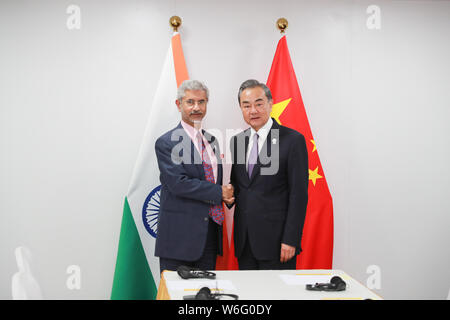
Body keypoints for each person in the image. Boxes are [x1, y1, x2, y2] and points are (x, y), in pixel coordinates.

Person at [154, 80, 234, 273]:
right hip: (179, 240)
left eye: (201, 102)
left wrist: (228, 194)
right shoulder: (167, 142)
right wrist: (219, 192)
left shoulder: (212, 140)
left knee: (205, 297)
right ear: (178, 104)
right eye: (190, 102)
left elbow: (213, 179)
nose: (196, 107)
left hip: (209, 237)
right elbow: (178, 184)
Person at [229, 79, 309, 270]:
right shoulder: (238, 141)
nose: (253, 110)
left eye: (259, 103)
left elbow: (299, 195)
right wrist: (227, 195)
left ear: (270, 103)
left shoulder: (292, 140)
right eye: (246, 105)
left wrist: (291, 239)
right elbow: (240, 185)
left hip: (278, 244)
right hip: (245, 243)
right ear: (240, 108)